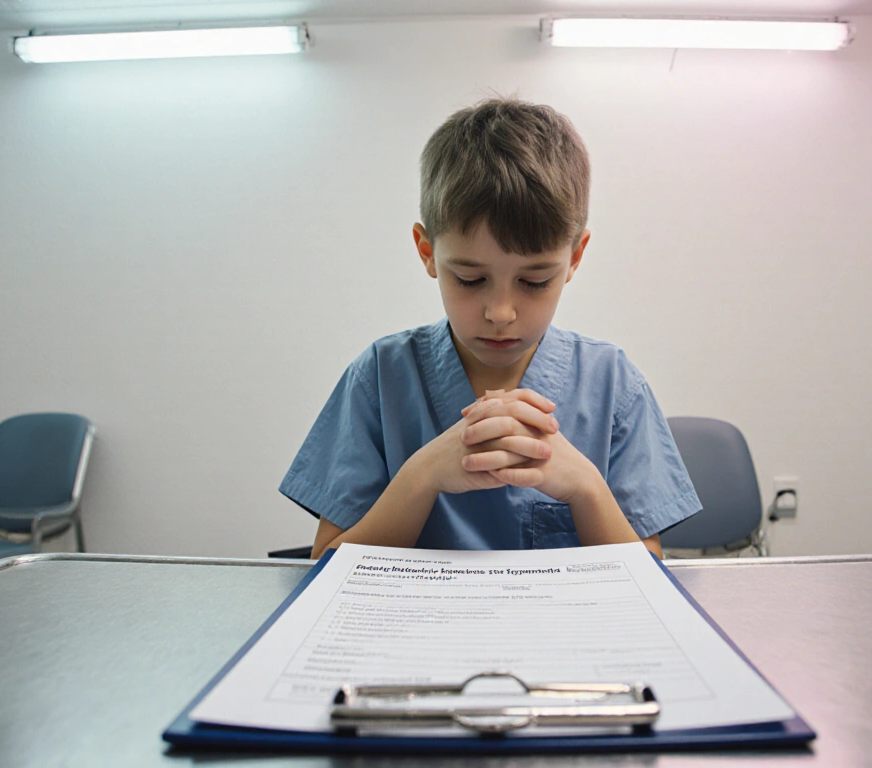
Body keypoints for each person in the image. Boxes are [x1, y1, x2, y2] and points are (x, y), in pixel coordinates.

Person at [281, 98, 700, 559]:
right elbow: (327, 565)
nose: (501, 312)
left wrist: (584, 488)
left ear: (575, 257)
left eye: (535, 281)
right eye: (470, 279)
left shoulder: (614, 385)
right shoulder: (381, 379)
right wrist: (422, 477)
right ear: (427, 252)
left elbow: (649, 579)